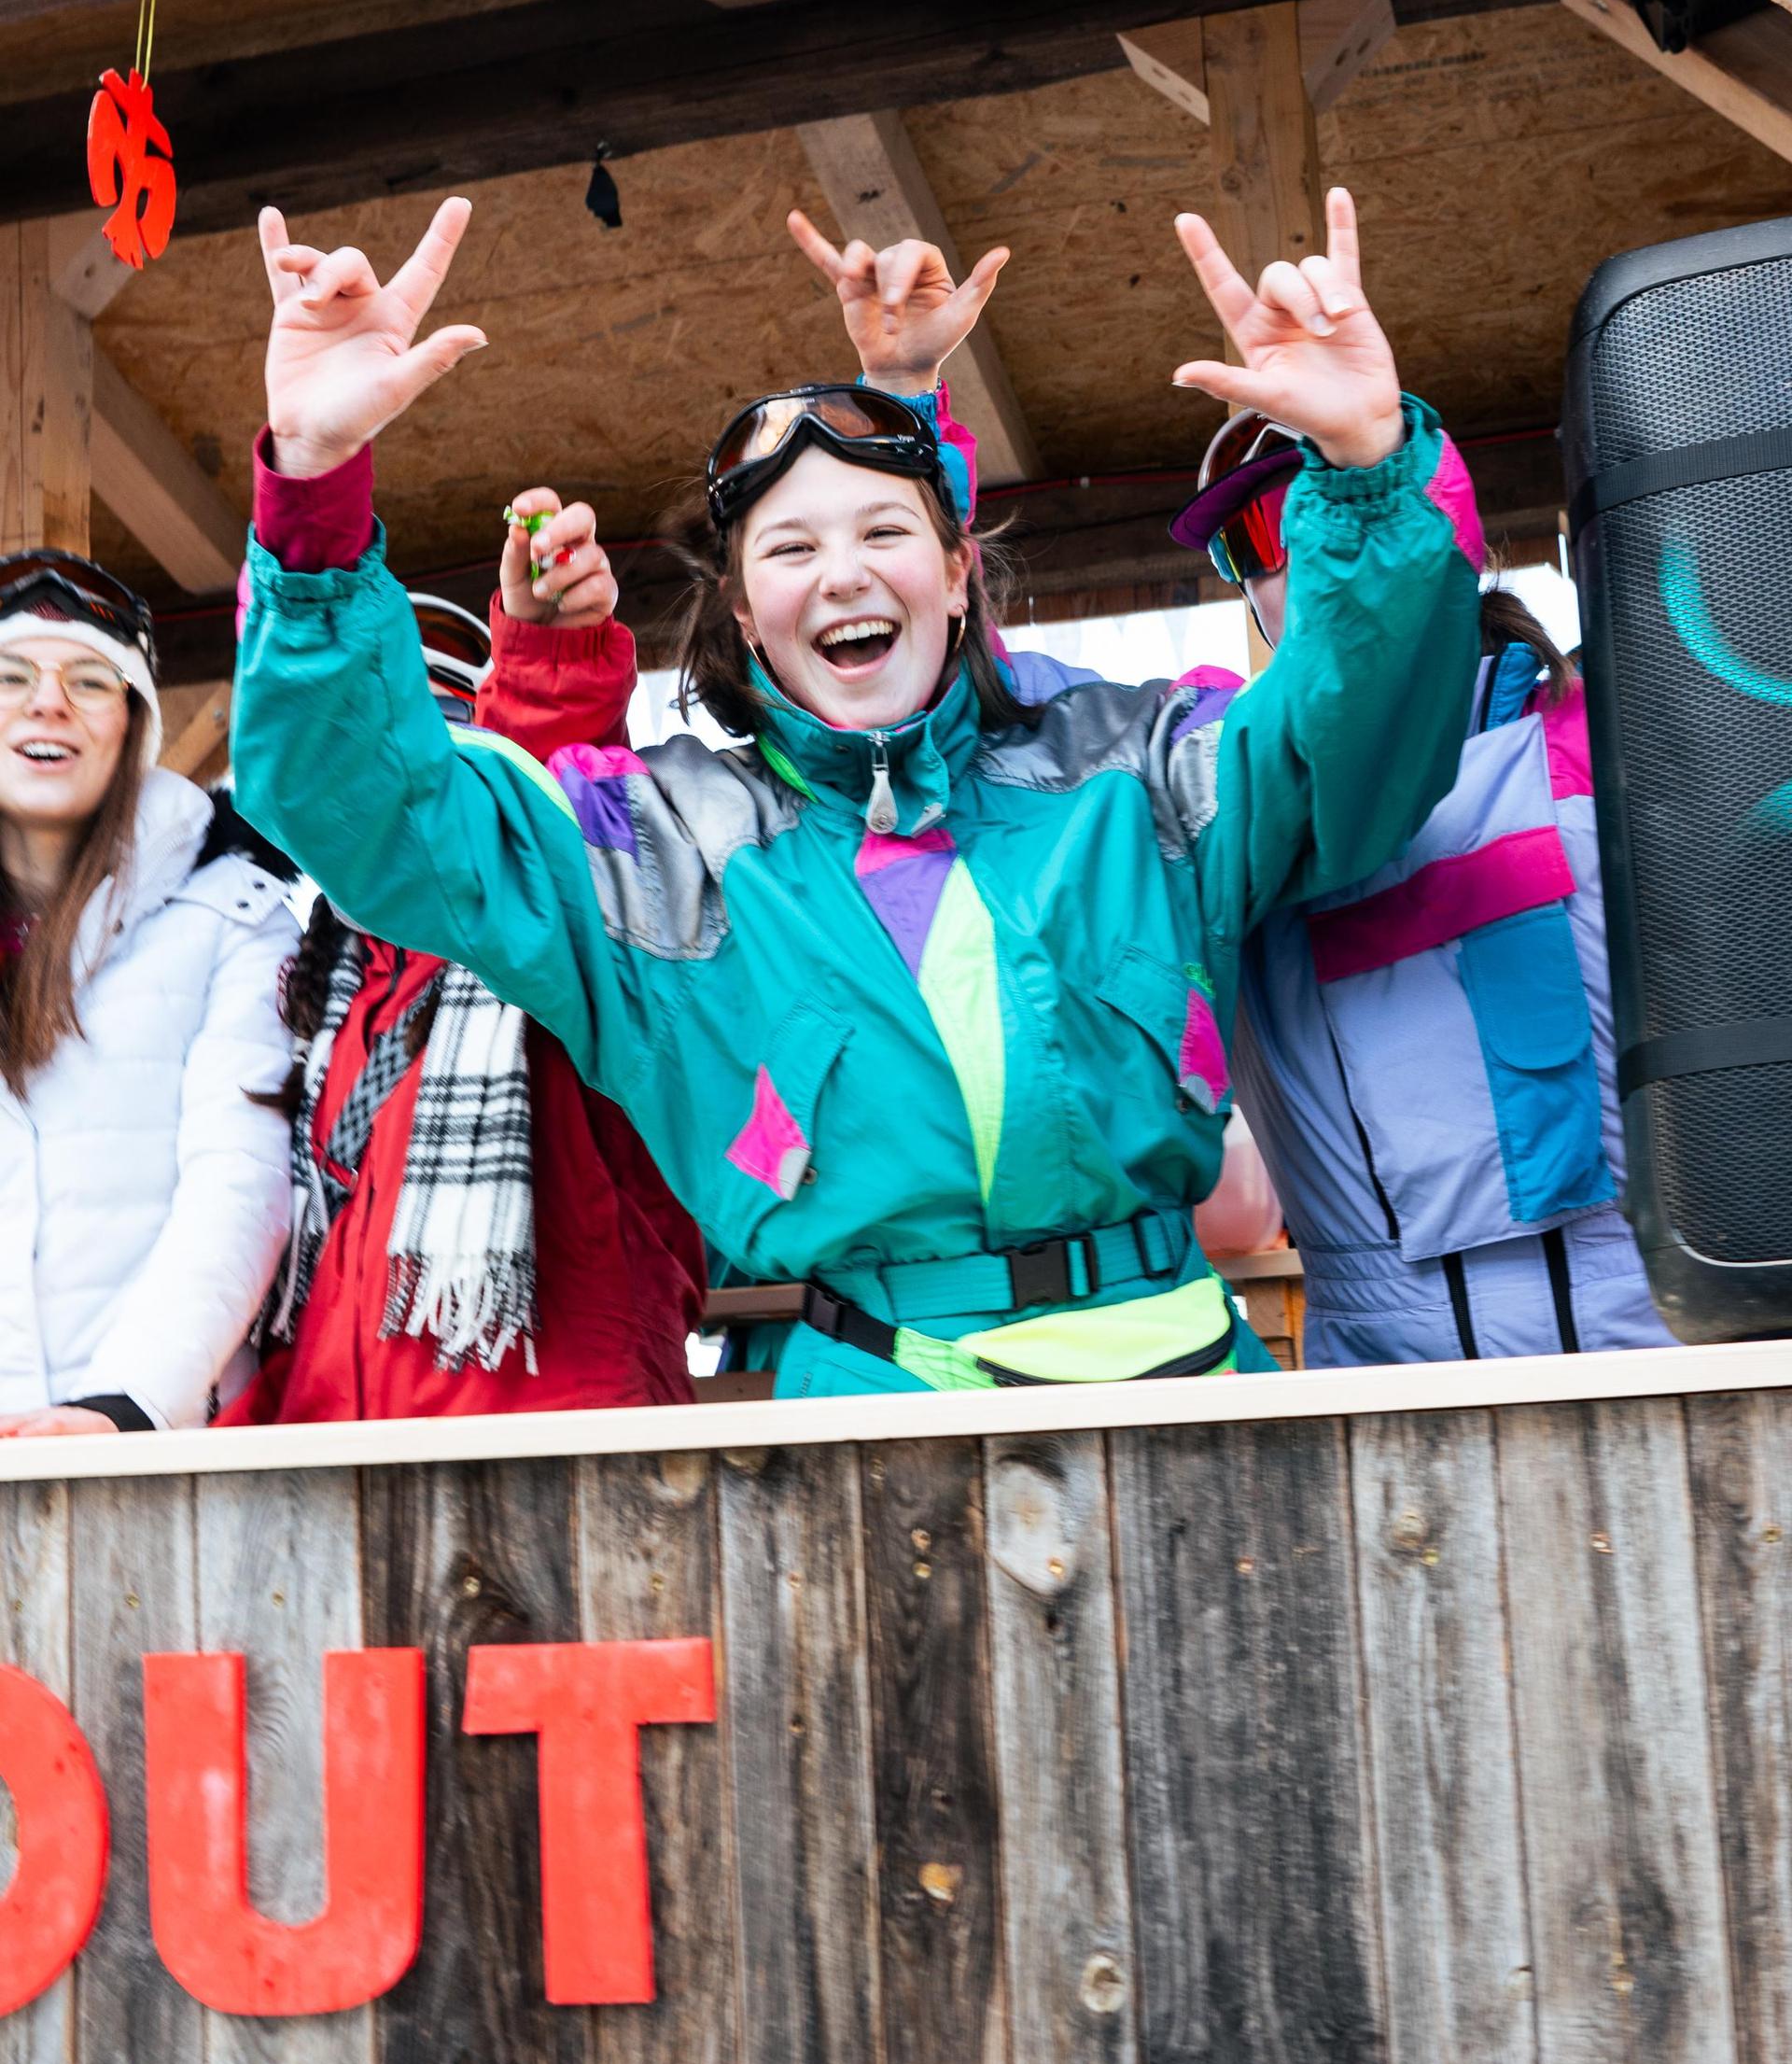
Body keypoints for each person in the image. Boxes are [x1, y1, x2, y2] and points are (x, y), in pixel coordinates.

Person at [230, 181, 1480, 1399]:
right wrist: (315, 482)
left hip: (1183, 1384)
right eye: (790, 548)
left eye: (883, 534)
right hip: (868, 1427)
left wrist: (1367, 465)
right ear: (741, 611)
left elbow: (1360, 741)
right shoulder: (648, 848)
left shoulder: (1140, 764)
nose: (841, 575)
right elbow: (374, 809)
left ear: (953, 573)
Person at [1166, 410, 1674, 1362]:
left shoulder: (1606, 723)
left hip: (1657, 1329)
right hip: (1386, 1376)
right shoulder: (1214, 785)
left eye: (1328, 505)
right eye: (1261, 538)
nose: (1307, 554)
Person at [228, 510, 704, 1424]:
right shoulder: (325, 1003)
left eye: (442, 770)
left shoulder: (563, 939)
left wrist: (551, 653)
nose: (400, 815)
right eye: (370, 783)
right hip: (355, 1472)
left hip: (562, 1455)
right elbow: (320, 1279)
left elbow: (544, 783)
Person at [0, 550, 295, 1436]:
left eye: (90, 679)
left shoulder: (234, 910)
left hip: (156, 1455)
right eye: (10, 675)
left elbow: (240, 1181)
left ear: (133, 725)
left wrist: (125, 1405)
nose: (46, 700)